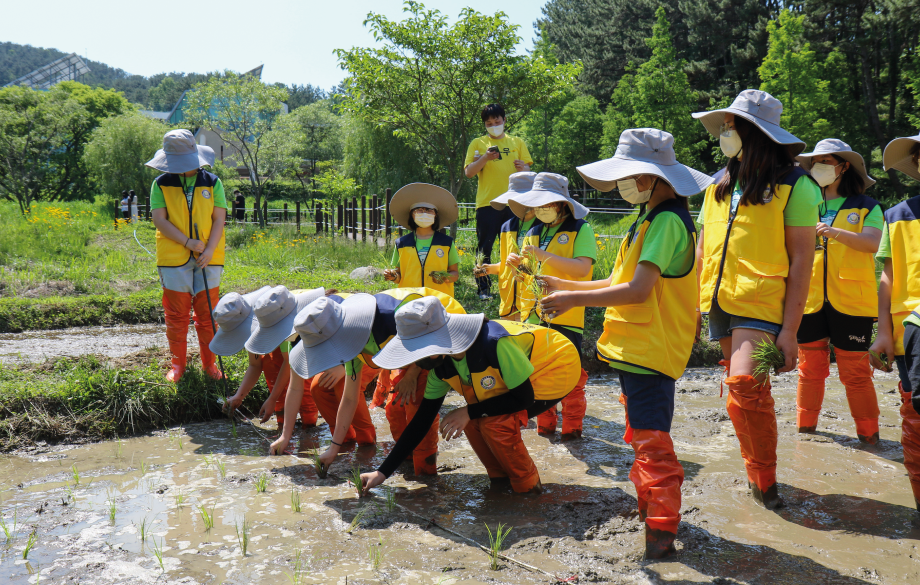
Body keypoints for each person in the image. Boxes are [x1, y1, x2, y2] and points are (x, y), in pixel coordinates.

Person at [540, 128, 713, 559]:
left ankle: (661, 537)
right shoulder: (649, 219)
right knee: (640, 435)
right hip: (635, 347)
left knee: (652, 442)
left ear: (655, 178)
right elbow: (622, 281)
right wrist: (563, 284)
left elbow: (637, 291)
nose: (625, 184)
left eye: (632, 175)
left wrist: (571, 298)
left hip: (651, 349)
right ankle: (651, 516)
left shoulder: (669, 221)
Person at [693, 90, 821, 509]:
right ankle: (756, 475)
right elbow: (702, 246)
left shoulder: (794, 184)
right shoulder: (718, 183)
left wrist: (790, 331)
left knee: (748, 387)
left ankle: (766, 483)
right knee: (736, 393)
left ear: (756, 133)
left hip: (764, 300)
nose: (725, 132)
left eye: (732, 126)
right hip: (719, 299)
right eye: (724, 125)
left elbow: (803, 259)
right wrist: (692, 305)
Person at [359, 296, 581, 495]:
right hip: (521, 378)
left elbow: (523, 399)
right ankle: (500, 482)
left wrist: (469, 411)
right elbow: (421, 421)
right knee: (476, 419)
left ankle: (528, 490)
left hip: (556, 366)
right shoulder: (441, 366)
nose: (413, 359)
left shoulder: (493, 344)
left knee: (493, 421)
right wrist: (382, 473)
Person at [272, 289, 467, 476]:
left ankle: (426, 478)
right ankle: (408, 461)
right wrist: (333, 449)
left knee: (415, 405)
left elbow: (427, 340)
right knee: (395, 410)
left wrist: (411, 376)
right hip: (406, 346)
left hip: (437, 330)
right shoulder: (351, 343)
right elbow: (349, 398)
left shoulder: (393, 319)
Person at [795, 139, 882, 443]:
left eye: (827, 161)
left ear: (844, 167)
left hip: (853, 302)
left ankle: (870, 438)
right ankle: (805, 433)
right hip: (808, 300)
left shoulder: (867, 206)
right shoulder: (805, 204)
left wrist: (833, 232)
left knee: (856, 373)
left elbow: (873, 243)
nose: (819, 167)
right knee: (809, 368)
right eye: (815, 161)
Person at [509, 173, 596, 439]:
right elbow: (528, 275)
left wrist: (542, 254)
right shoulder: (534, 231)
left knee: (571, 377)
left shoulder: (581, 229)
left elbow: (583, 269)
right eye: (537, 204)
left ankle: (573, 431)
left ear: (561, 204)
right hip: (533, 317)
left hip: (566, 313)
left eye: (546, 203)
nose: (540, 209)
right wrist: (518, 267)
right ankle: (545, 428)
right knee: (536, 374)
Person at [146, 129, 229, 382]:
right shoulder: (160, 184)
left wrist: (209, 249)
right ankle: (178, 366)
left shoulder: (213, 182)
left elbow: (219, 219)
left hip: (209, 256)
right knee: (177, 315)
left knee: (208, 315)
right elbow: (159, 219)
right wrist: (187, 241)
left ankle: (209, 366)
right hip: (173, 257)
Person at [868, 132, 920, 516]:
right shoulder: (897, 215)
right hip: (910, 332)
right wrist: (883, 331)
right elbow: (888, 276)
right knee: (915, 417)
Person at [223, 286, 324, 430]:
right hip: (289, 340)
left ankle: (309, 425)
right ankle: (283, 418)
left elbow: (290, 363)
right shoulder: (260, 317)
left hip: (307, 335)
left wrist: (272, 398)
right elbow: (255, 365)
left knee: (303, 381)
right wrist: (239, 396)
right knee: (271, 364)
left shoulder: (280, 320)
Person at [464, 104, 533, 300]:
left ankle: (517, 283)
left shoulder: (517, 142)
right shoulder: (478, 143)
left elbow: (528, 172)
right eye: (489, 123)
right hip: (488, 203)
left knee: (517, 245)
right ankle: (483, 289)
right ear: (484, 125)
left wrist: (524, 169)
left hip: (516, 203)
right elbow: (469, 172)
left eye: (497, 121)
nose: (494, 125)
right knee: (484, 246)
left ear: (504, 120)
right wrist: (485, 158)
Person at [479, 172, 541, 321]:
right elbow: (506, 263)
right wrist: (490, 268)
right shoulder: (507, 226)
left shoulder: (543, 226)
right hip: (508, 301)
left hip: (532, 301)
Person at [385, 183, 460, 297]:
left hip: (440, 300)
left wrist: (445, 277)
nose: (424, 213)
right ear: (412, 214)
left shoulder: (446, 243)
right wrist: (393, 276)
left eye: (429, 210)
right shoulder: (402, 243)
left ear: (436, 215)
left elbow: (454, 273)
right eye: (419, 210)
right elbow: (399, 276)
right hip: (409, 299)